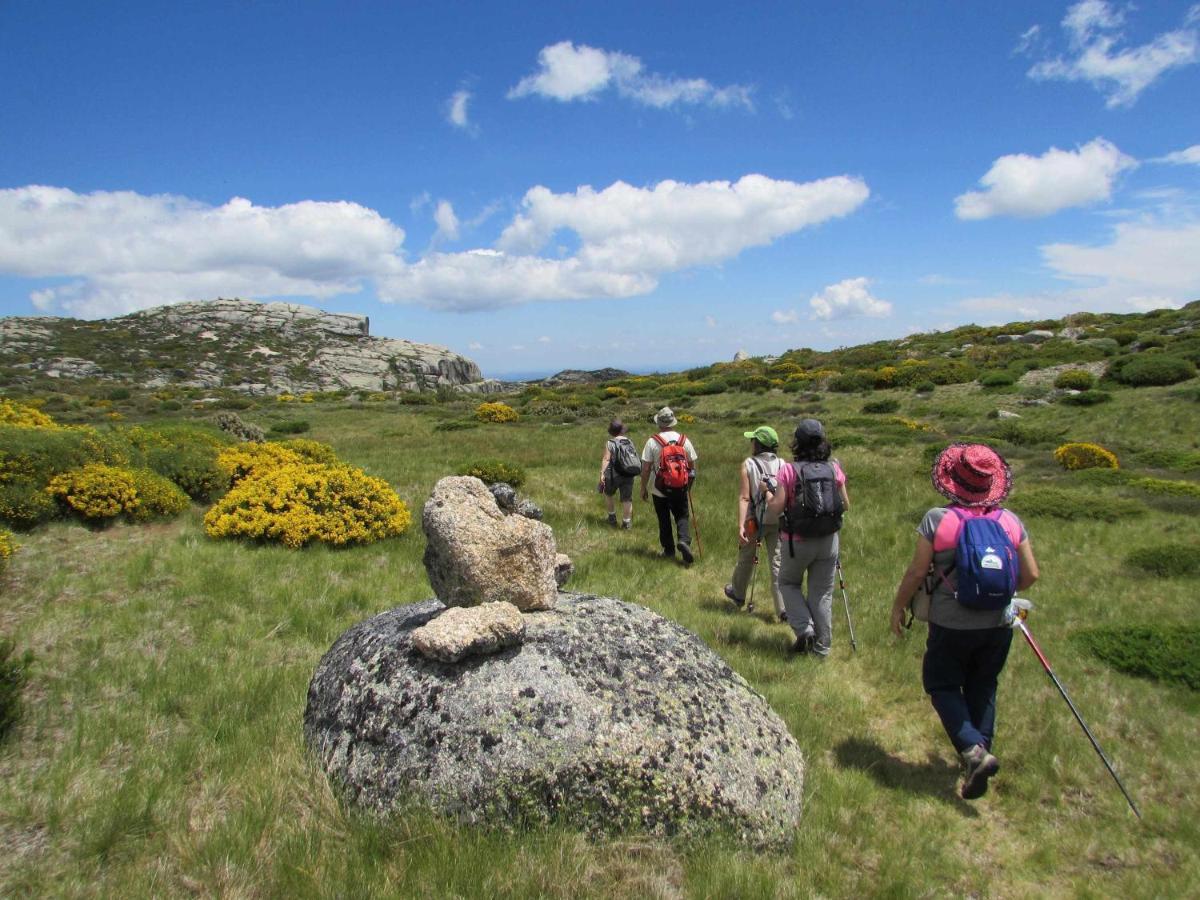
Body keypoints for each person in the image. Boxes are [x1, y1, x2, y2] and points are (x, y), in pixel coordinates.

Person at [888, 443, 1040, 800]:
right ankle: (978, 754)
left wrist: (898, 607)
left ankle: (973, 752)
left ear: (952, 480)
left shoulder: (938, 520)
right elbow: (1031, 574)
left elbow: (916, 572)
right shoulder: (1010, 521)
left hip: (950, 622)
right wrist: (997, 590)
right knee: (984, 684)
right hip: (999, 623)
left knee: (941, 684)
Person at [763, 419, 849, 657]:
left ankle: (804, 629)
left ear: (797, 443)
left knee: (788, 583)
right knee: (821, 593)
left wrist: (767, 493)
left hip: (797, 541)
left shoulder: (789, 470)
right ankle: (822, 649)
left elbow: (776, 508)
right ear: (822, 441)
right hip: (829, 540)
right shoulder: (834, 468)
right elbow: (846, 505)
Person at [724, 425, 785, 620]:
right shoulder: (784, 464)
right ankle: (783, 609)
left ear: (758, 444)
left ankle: (738, 594)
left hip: (755, 520)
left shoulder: (748, 464)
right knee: (778, 563)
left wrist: (741, 524)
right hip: (779, 519)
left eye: (753, 440)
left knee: (746, 558)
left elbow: (744, 498)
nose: (751, 443)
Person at [640, 407, 698, 564]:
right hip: (679, 486)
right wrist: (688, 485)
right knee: (681, 515)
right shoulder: (684, 440)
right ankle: (684, 541)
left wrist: (643, 487)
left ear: (659, 423)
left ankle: (669, 551)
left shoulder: (653, 441)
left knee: (663, 518)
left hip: (658, 487)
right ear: (673, 422)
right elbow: (691, 465)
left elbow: (645, 468)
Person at [598, 418, 635, 529]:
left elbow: (606, 459)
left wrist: (602, 473)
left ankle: (612, 518)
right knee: (627, 499)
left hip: (614, 475)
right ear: (622, 430)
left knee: (608, 494)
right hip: (628, 473)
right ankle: (626, 523)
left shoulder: (610, 443)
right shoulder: (629, 441)